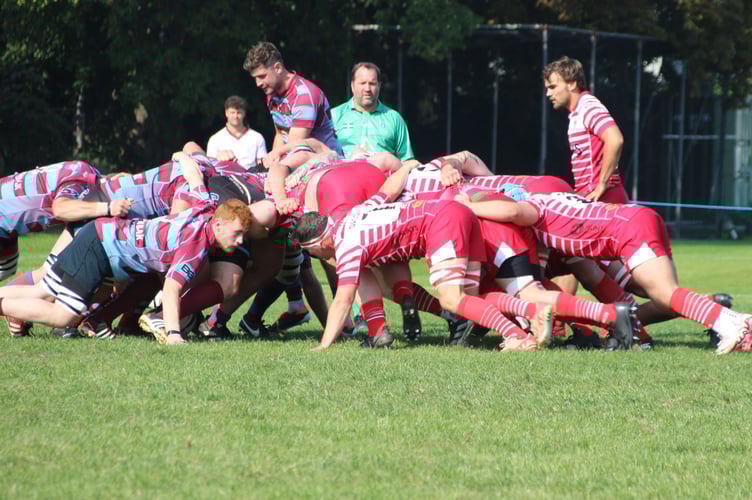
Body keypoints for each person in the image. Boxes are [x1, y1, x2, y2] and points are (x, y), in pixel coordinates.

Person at [295, 162, 554, 352]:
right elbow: (388, 190)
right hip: (458, 212)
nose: (319, 257)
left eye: (312, 252)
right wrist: (406, 165)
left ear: (319, 243)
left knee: (452, 299)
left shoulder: (344, 245)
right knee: (470, 299)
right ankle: (532, 312)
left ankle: (517, 336)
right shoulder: (355, 214)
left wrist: (323, 346)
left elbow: (342, 301)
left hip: (440, 222)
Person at [0, 160, 262, 345]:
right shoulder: (196, 244)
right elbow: (171, 289)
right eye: (237, 233)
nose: (239, 241)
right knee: (64, 315)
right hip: (101, 245)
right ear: (218, 223)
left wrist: (182, 156)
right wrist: (172, 333)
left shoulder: (204, 207)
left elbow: (193, 175)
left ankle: (88, 320)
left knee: (44, 289)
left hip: (99, 234)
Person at [455, 191, 752, 353]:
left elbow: (513, 212)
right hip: (636, 218)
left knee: (666, 294)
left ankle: (733, 324)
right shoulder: (556, 200)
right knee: (664, 300)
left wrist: (468, 207)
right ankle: (715, 313)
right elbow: (591, 276)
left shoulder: (533, 206)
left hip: (625, 231)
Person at [543, 56, 628, 204]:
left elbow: (615, 139)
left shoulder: (588, 106)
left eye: (553, 87)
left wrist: (602, 184)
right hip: (592, 196)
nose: (548, 94)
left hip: (604, 197)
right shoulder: (577, 112)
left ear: (571, 84)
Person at [331, 62, 414, 162]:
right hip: (344, 174)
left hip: (385, 176)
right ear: (352, 85)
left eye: (372, 84)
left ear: (379, 85)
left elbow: (407, 161)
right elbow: (323, 153)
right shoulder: (334, 116)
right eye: (362, 83)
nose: (367, 89)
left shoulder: (394, 118)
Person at [206, 95, 267, 168]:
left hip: (251, 176)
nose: (235, 116)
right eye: (232, 112)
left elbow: (263, 165)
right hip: (224, 177)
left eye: (239, 112)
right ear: (226, 113)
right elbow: (209, 168)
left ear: (244, 113)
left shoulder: (257, 137)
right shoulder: (215, 139)